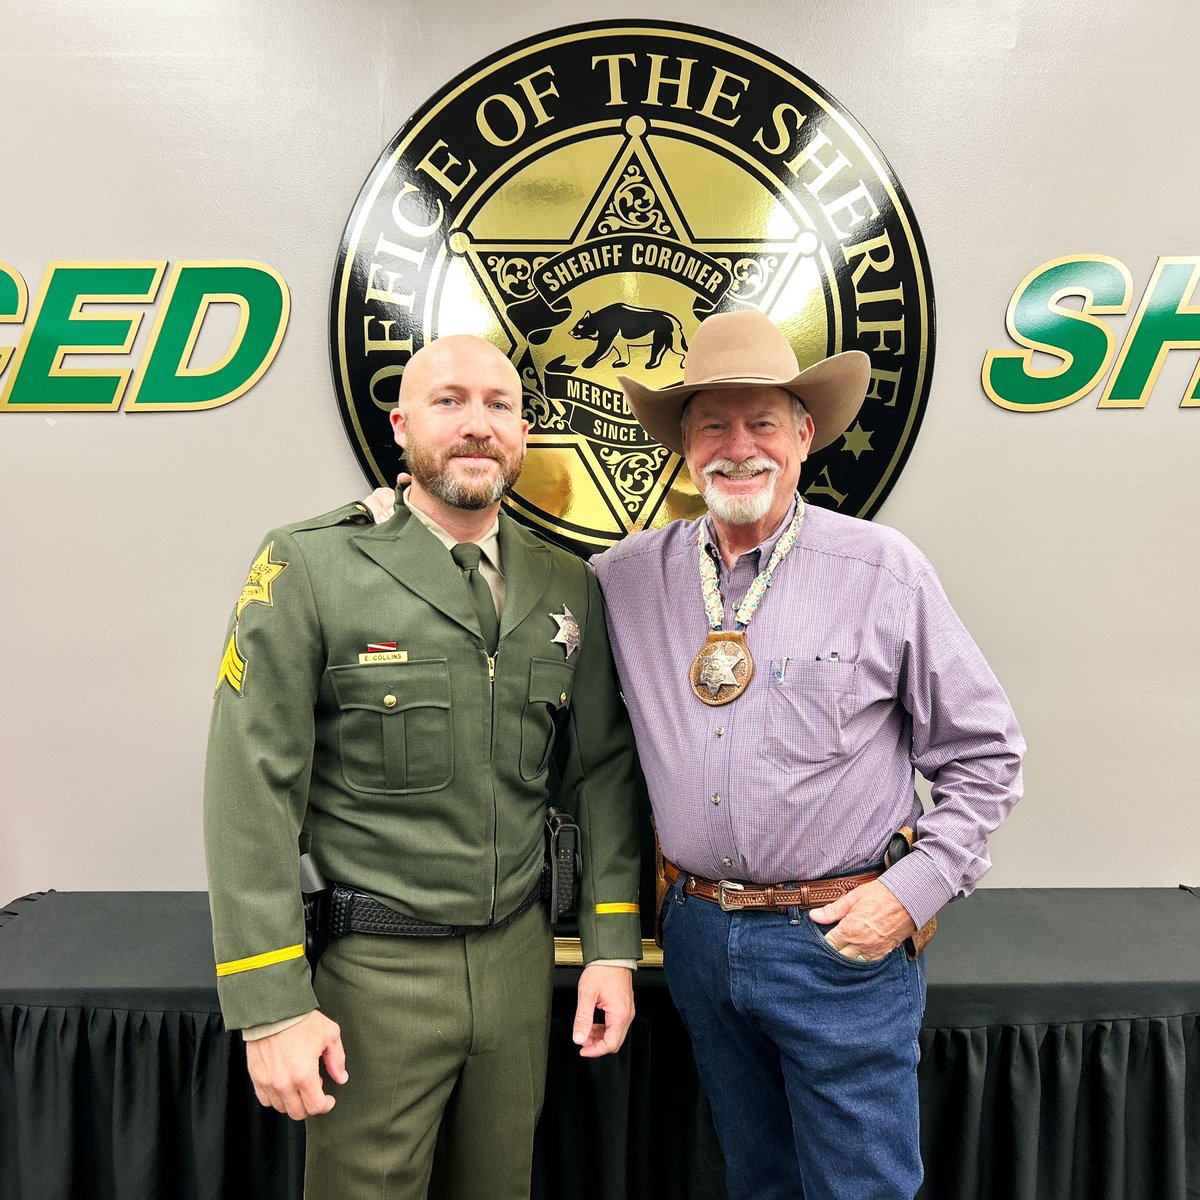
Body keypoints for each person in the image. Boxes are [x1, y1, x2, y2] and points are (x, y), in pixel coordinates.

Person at [592, 309, 1026, 1200]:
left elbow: (987, 754)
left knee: (861, 1190)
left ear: (803, 436)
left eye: (762, 422)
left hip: (838, 942)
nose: (737, 447)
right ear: (683, 447)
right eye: (712, 425)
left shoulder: (881, 570)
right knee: (760, 1182)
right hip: (698, 935)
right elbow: (510, 584)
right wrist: (404, 515)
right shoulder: (626, 578)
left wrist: (908, 895)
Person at [203, 334, 642, 1200]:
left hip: (519, 967)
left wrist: (612, 947)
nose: (477, 424)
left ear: (523, 432)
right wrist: (270, 1005)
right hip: (376, 975)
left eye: (499, 405)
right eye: (449, 401)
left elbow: (601, 775)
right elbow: (250, 786)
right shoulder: (311, 567)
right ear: (402, 426)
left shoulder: (567, 586)